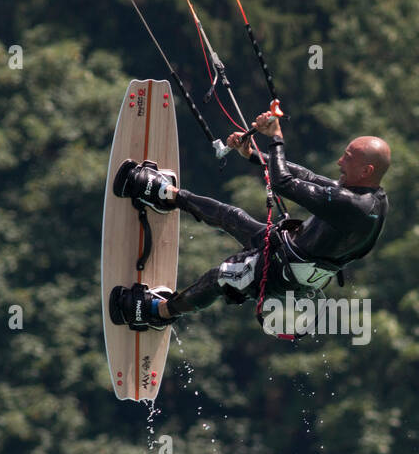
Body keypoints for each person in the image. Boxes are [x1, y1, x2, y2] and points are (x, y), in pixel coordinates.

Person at [109, 110, 390, 332]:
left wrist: (276, 137)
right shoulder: (367, 191)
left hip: (284, 273)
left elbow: (284, 183)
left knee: (220, 277)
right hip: (284, 246)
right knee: (231, 216)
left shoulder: (356, 208)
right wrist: (254, 155)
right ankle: (165, 194)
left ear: (366, 170)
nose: (340, 162)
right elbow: (310, 178)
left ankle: (157, 312)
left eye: (348, 158)